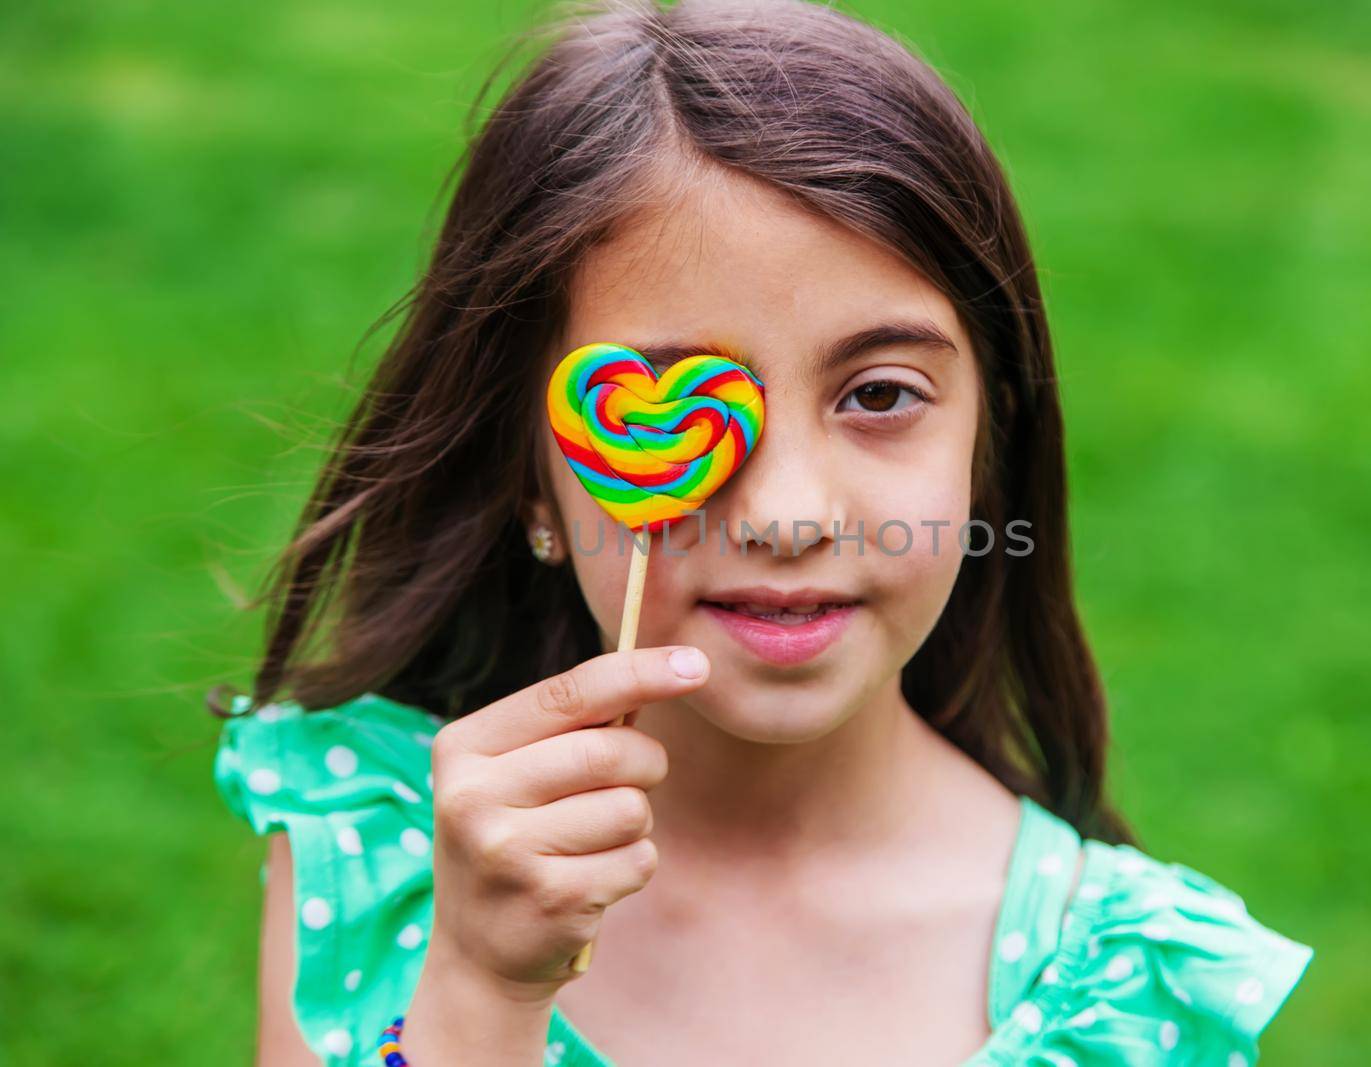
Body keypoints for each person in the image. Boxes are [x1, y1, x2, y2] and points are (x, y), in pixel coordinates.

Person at [209, 0, 1313, 1063]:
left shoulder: (1126, 984)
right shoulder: (388, 848)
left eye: (879, 395)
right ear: (530, 481)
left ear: (988, 449)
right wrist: (479, 992)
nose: (788, 515)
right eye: (664, 400)